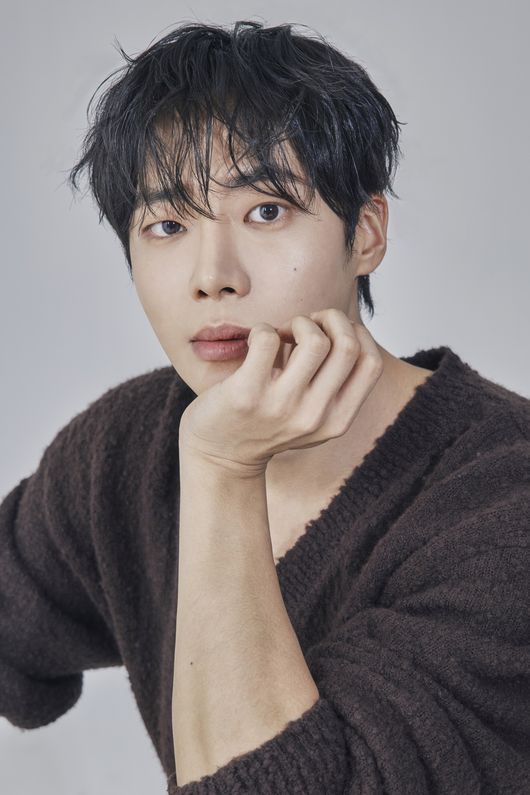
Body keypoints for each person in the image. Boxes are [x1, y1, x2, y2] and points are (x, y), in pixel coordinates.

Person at [1, 19, 528, 794]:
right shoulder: (128, 446)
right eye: (168, 225)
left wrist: (222, 469)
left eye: (267, 211)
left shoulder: (504, 505)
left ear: (366, 233)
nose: (213, 275)